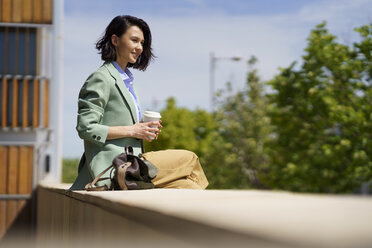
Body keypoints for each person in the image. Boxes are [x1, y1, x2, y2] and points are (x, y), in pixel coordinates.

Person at [69, 15, 208, 190]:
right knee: (190, 159)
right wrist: (133, 129)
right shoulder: (101, 78)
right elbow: (86, 128)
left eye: (142, 43)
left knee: (188, 186)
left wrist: (143, 130)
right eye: (134, 40)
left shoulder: (127, 81)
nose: (139, 47)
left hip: (134, 162)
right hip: (115, 167)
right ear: (115, 40)